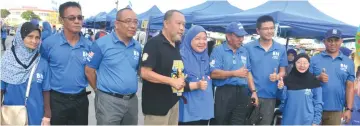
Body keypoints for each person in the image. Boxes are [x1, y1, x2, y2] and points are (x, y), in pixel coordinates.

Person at [85, 8, 141, 125]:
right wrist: (98, 91)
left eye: (135, 22)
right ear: (117, 24)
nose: (133, 25)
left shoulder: (137, 46)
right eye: (128, 21)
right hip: (108, 101)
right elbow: (89, 71)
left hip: (131, 101)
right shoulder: (101, 44)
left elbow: (135, 71)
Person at [40, 2, 91, 125]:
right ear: (61, 20)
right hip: (56, 101)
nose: (77, 21)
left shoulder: (89, 45)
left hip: (81, 100)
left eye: (80, 17)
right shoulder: (48, 44)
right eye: (72, 18)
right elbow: (42, 72)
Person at [140, 10, 185, 125]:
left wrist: (180, 80)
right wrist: (171, 81)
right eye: (178, 23)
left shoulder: (176, 46)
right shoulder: (154, 44)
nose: (182, 28)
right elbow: (144, 73)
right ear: (166, 23)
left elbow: (173, 71)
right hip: (157, 109)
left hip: (173, 104)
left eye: (184, 25)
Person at [1, 22, 51, 125]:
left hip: (36, 116)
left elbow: (46, 91)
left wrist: (47, 115)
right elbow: (1, 89)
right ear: (20, 37)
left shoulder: (42, 63)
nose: (34, 41)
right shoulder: (7, 61)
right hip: (11, 117)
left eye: (37, 37)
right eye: (30, 36)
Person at [243, 15, 288, 125]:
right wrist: (253, 91)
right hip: (250, 95)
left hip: (270, 96)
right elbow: (245, 71)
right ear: (258, 30)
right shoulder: (248, 47)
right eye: (266, 28)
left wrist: (277, 76)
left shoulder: (281, 48)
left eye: (272, 28)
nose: (270, 31)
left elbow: (283, 71)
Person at [210, 22, 257, 125]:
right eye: (238, 36)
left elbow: (248, 73)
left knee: (239, 122)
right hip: (224, 92)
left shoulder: (244, 51)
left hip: (242, 92)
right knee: (221, 122)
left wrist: (253, 91)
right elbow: (213, 73)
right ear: (228, 36)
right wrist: (234, 73)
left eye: (242, 36)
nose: (241, 39)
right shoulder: (219, 50)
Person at [310, 29, 355, 125]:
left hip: (336, 110)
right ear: (324, 42)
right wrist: (318, 78)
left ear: (341, 41)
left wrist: (348, 109)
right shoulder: (314, 59)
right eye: (330, 40)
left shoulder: (349, 62)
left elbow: (350, 87)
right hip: (313, 108)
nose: (333, 43)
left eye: (336, 40)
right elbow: (304, 81)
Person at [178, 25, 213, 125]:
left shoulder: (205, 56)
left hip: (204, 109)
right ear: (189, 39)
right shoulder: (180, 56)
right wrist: (196, 85)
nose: (202, 42)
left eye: (204, 39)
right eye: (197, 39)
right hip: (188, 110)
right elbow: (175, 83)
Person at [278, 53, 323, 125]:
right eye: (299, 62)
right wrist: (281, 88)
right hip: (289, 119)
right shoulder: (286, 80)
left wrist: (316, 121)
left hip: (307, 120)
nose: (302, 65)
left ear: (309, 65)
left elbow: (318, 102)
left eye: (305, 63)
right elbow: (282, 100)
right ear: (294, 64)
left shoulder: (314, 81)